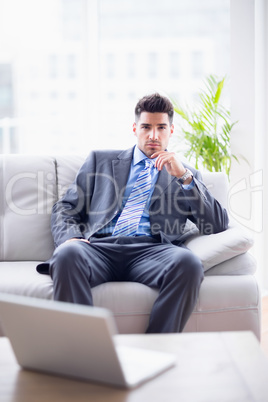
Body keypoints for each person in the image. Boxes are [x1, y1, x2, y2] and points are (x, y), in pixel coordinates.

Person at [37, 93, 229, 333]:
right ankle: (82, 350)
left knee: (189, 263)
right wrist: (70, 238)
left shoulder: (185, 174)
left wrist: (183, 177)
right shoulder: (101, 161)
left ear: (171, 130)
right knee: (67, 254)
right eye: (146, 127)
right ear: (134, 128)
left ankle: (157, 347)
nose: (153, 135)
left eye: (161, 128)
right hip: (99, 248)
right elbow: (65, 207)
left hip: (151, 252)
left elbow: (217, 224)